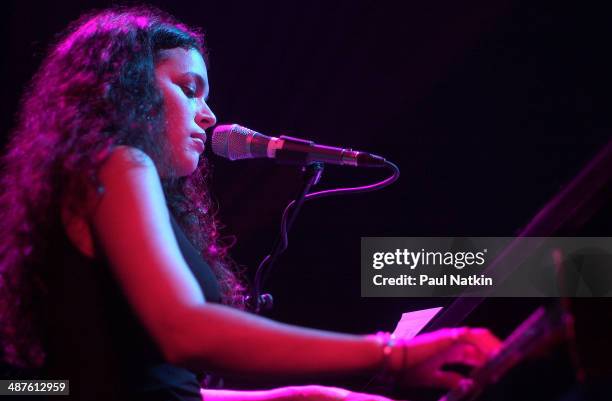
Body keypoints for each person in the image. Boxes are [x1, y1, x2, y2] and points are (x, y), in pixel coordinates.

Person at [0, 6, 501, 401]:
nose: (209, 115)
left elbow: (135, 385)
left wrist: (308, 395)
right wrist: (391, 356)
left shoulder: (101, 179)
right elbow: (184, 330)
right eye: (189, 90)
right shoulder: (120, 163)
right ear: (126, 91)